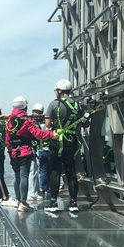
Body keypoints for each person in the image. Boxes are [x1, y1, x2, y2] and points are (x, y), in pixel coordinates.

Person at [6, 96, 59, 212]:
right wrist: (51, 134)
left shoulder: (10, 120)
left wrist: (10, 151)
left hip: (13, 152)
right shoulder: (26, 120)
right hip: (24, 151)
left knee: (17, 176)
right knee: (24, 176)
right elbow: (37, 133)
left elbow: (7, 138)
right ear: (24, 105)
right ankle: (23, 203)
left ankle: (17, 200)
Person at [45, 80, 83, 212]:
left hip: (57, 141)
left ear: (59, 91)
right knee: (71, 170)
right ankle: (73, 202)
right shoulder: (78, 105)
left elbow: (48, 124)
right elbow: (78, 127)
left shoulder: (53, 104)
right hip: (72, 141)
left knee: (55, 171)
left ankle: (53, 202)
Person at [27, 103, 49, 201]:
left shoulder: (41, 123)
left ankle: (37, 190)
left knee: (38, 170)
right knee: (35, 171)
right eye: (36, 112)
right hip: (35, 148)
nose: (37, 114)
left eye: (39, 112)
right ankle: (35, 191)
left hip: (40, 149)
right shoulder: (32, 122)